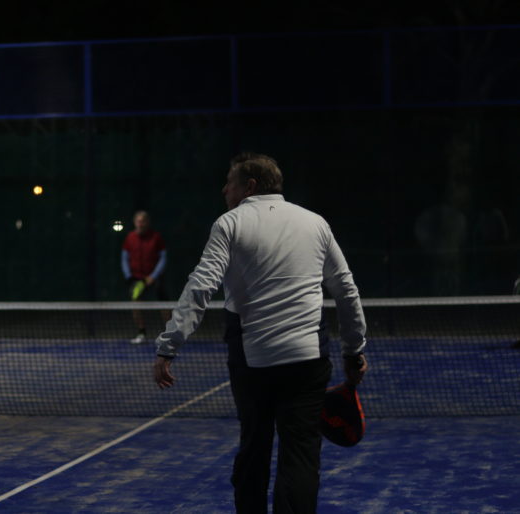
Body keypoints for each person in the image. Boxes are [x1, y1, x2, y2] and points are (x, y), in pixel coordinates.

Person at [153, 153, 368, 513]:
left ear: (250, 186)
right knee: (300, 458)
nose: (224, 189)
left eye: (230, 181)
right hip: (307, 361)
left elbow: (200, 285)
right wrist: (354, 350)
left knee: (254, 449)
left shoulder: (229, 224)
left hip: (252, 362)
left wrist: (168, 345)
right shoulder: (315, 223)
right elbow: (345, 290)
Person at [121, 210, 167, 344]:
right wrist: (128, 276)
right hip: (136, 278)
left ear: (147, 223)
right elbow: (124, 258)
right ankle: (141, 333)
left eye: (143, 221)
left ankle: (169, 335)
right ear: (135, 223)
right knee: (135, 304)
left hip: (154, 278)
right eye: (138, 221)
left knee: (164, 305)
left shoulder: (156, 237)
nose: (141, 224)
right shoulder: (129, 238)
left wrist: (153, 276)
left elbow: (163, 258)